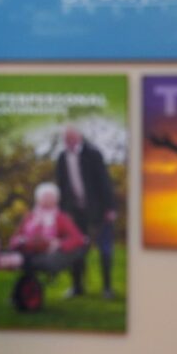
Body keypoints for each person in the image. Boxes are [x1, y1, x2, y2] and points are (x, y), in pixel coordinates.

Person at [0, 183, 85, 274]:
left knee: (18, 258)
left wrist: (59, 244)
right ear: (38, 199)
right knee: (9, 254)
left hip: (42, 251)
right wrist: (19, 241)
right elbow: (15, 237)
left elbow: (78, 238)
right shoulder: (31, 216)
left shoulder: (60, 217)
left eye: (50, 197)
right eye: (44, 197)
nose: (46, 200)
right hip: (24, 246)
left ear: (56, 200)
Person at [55, 127, 117, 299]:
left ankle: (107, 288)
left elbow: (105, 182)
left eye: (72, 137)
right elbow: (61, 185)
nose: (69, 141)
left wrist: (110, 208)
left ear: (79, 137)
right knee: (76, 249)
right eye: (66, 138)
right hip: (75, 213)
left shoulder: (93, 154)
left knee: (105, 250)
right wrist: (63, 211)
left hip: (99, 210)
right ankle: (77, 287)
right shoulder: (61, 158)